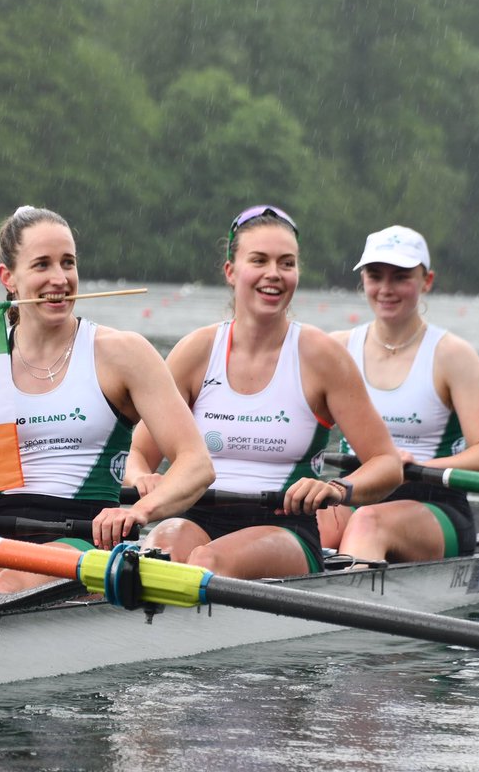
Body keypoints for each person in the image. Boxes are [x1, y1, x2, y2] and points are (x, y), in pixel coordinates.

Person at [0, 206, 214, 619]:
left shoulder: (121, 353)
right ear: (8, 278)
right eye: (42, 265)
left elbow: (196, 464)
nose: (60, 279)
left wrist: (138, 512)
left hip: (84, 537)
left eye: (68, 263)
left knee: (4, 588)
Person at [123, 204, 402, 578]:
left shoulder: (322, 357)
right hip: (198, 515)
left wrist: (337, 489)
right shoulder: (196, 352)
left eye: (286, 263)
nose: (274, 274)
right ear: (231, 271)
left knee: (208, 562)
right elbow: (138, 451)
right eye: (260, 260)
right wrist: (142, 478)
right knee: (159, 551)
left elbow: (387, 464)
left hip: (284, 527)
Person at [321, 226, 479, 562]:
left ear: (427, 281)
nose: (386, 289)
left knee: (368, 523)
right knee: (305, 525)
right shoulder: (336, 348)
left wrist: (418, 464)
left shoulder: (453, 355)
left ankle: (342, 603)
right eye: (375, 276)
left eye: (401, 277)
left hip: (434, 502)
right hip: (355, 489)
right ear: (362, 280)